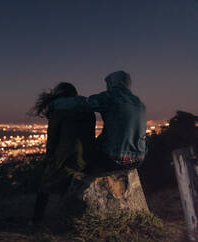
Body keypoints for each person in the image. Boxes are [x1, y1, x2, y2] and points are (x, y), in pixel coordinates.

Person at [49, 71, 147, 173]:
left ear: (113, 83)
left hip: (114, 159)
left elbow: (83, 104)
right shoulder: (139, 103)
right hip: (138, 160)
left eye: (108, 83)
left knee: (82, 159)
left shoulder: (111, 97)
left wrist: (55, 104)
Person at [30, 82, 96, 224]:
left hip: (65, 153)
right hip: (86, 155)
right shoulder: (87, 107)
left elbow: (52, 137)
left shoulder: (58, 108)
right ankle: (66, 216)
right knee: (69, 179)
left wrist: (49, 157)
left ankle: (37, 219)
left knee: (45, 183)